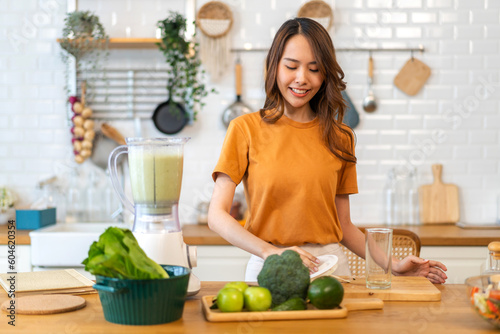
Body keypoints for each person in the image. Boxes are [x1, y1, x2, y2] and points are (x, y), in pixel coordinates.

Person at [208, 17, 447, 284]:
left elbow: (344, 226)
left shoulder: (340, 136)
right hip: (270, 264)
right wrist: (272, 253)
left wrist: (393, 265)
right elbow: (217, 216)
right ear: (274, 67)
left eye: (314, 69)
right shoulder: (245, 129)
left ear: (325, 75)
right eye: (291, 66)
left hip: (330, 267)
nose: (302, 78)